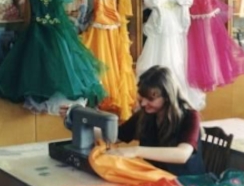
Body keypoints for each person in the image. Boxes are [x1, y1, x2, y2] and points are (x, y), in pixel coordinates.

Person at [61, 65, 205, 176]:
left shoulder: (190, 116)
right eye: (142, 98)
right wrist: (77, 120)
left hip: (187, 183)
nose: (143, 104)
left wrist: (136, 151)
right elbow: (113, 136)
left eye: (151, 99)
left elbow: (182, 154)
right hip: (154, 178)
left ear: (168, 96)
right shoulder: (145, 115)